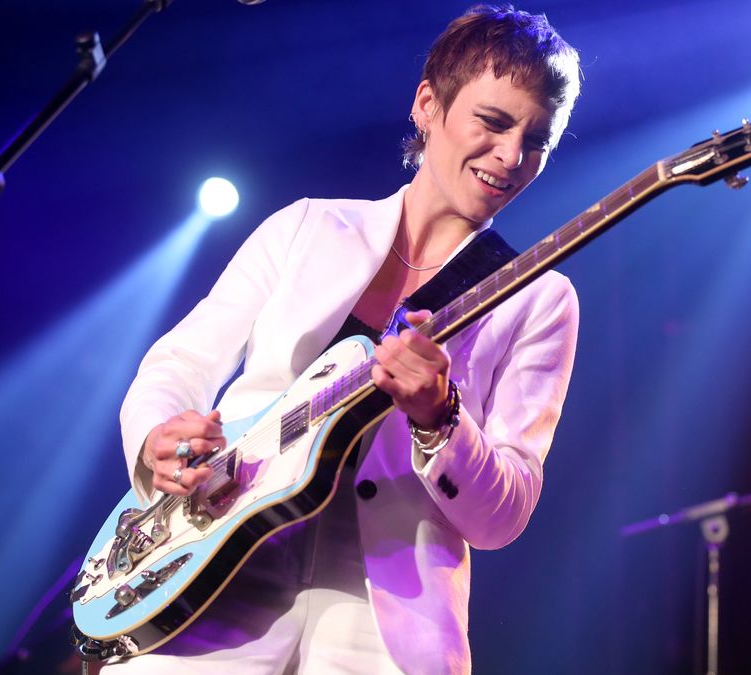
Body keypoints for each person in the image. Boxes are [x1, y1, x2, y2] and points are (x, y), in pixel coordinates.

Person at [101, 5, 581, 673]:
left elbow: (504, 514)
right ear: (427, 105)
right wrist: (159, 436)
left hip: (383, 629)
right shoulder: (308, 228)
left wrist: (442, 420)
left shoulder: (537, 298)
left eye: (537, 140)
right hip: (209, 587)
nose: (511, 155)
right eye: (494, 122)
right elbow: (178, 363)